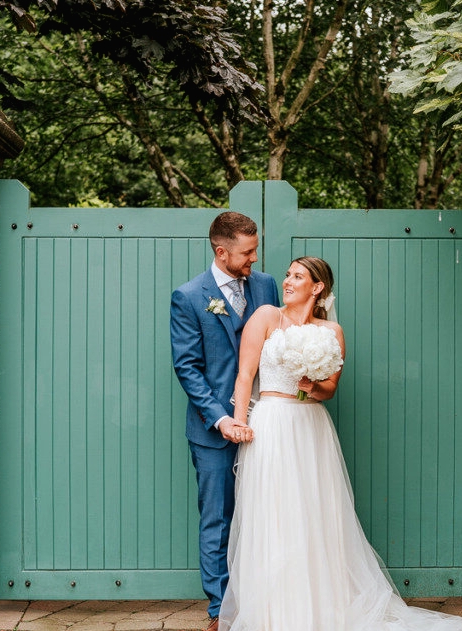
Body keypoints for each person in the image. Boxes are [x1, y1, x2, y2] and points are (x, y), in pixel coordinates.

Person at [218, 256, 462, 631]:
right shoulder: (265, 317)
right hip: (271, 423)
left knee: (314, 513)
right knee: (273, 512)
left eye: (297, 276)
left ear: (318, 287)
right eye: (288, 275)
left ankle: (321, 606)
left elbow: (329, 391)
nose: (287, 281)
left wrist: (311, 385)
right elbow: (245, 375)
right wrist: (240, 421)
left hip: (311, 427)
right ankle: (275, 614)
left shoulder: (332, 332)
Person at [169, 212, 280, 631]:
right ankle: (221, 612)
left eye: (255, 250)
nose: (254, 259)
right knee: (218, 518)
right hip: (213, 432)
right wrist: (220, 420)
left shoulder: (267, 286)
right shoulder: (189, 296)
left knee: (266, 514)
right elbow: (188, 368)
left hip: (268, 423)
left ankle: (263, 602)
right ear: (222, 251)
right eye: (248, 252)